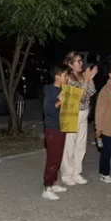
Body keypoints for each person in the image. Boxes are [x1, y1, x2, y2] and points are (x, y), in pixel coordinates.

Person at [60, 52, 97, 186]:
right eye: (78, 61)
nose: (81, 63)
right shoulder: (69, 78)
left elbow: (91, 92)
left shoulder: (82, 76)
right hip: (73, 114)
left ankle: (76, 172)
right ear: (70, 64)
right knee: (70, 145)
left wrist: (90, 79)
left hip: (84, 114)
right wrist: (86, 81)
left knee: (81, 145)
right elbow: (79, 98)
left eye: (81, 61)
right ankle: (66, 174)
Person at [42, 65, 70, 200]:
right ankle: (47, 187)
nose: (67, 78)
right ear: (57, 77)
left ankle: (53, 182)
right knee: (52, 158)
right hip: (53, 128)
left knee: (58, 157)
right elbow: (48, 111)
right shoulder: (50, 91)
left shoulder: (62, 89)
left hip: (61, 127)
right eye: (65, 75)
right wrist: (59, 102)